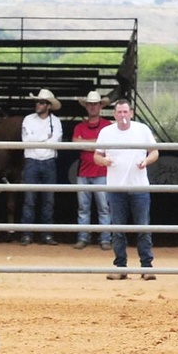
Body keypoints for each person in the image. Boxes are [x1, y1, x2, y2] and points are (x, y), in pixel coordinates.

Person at [94, 98, 158, 280]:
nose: (122, 115)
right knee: (118, 229)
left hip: (139, 186)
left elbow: (155, 152)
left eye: (125, 112)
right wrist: (104, 161)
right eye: (119, 112)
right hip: (116, 187)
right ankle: (120, 266)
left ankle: (147, 266)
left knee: (143, 227)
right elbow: (96, 156)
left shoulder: (142, 129)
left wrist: (146, 161)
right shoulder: (106, 132)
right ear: (115, 114)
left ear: (130, 113)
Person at [19, 88, 62, 246]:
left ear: (48, 105)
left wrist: (36, 140)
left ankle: (46, 234)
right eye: (38, 101)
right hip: (32, 161)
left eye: (42, 102)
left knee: (48, 200)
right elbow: (26, 140)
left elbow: (56, 141)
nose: (38, 104)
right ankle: (27, 234)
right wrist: (45, 138)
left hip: (48, 161)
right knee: (30, 199)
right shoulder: (28, 119)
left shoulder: (55, 121)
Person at [71, 90, 112, 250]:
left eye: (95, 104)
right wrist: (97, 144)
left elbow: (81, 143)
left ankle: (103, 238)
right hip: (85, 172)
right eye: (90, 104)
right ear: (87, 106)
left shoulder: (107, 126)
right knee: (85, 207)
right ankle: (91, 238)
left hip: (100, 172)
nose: (93, 107)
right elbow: (75, 142)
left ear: (100, 106)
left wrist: (85, 143)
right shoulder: (104, 127)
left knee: (103, 207)